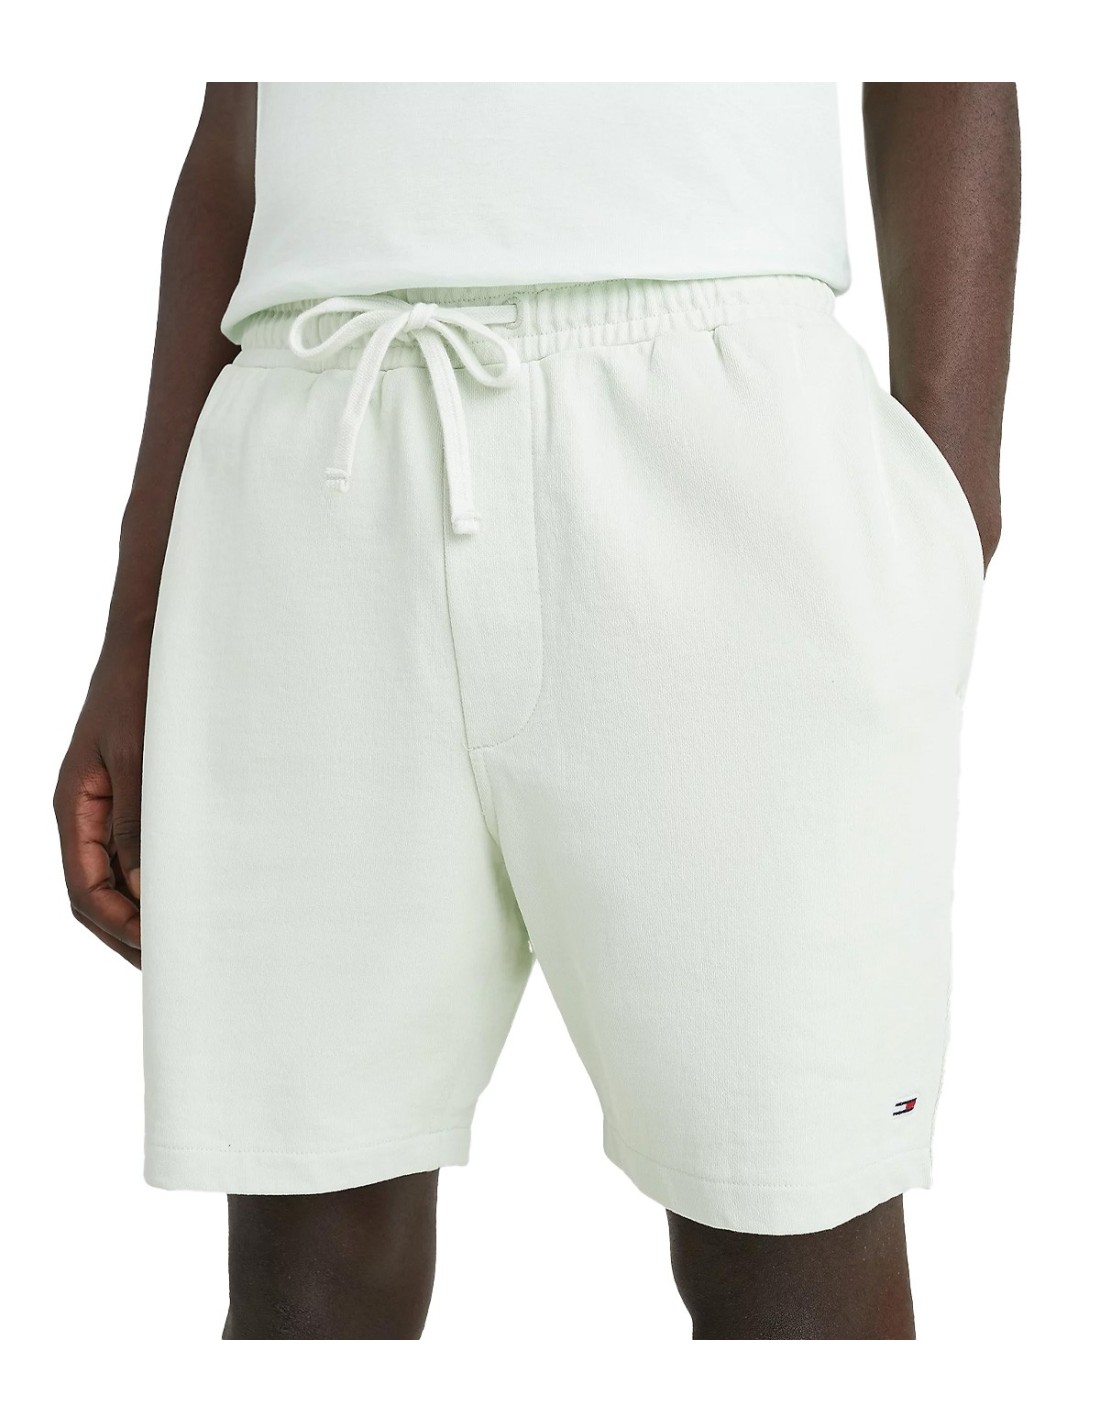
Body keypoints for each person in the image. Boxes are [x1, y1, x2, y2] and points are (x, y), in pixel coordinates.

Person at [53, 82, 1019, 1340]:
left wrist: (947, 485)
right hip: (315, 431)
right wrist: (137, 623)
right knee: (306, 1262)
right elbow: (241, 112)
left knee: (792, 1242)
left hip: (721, 425)